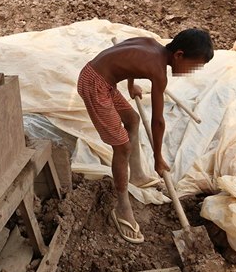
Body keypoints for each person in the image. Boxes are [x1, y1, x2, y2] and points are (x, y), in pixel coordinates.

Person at [77, 29, 214, 243]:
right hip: (95, 85)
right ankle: (122, 208)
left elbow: (123, 56)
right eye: (192, 66)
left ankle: (137, 175)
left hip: (99, 76)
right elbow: (158, 121)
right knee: (121, 146)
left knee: (132, 120)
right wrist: (158, 158)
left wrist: (132, 85)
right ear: (178, 55)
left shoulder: (151, 44)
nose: (191, 72)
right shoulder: (158, 71)